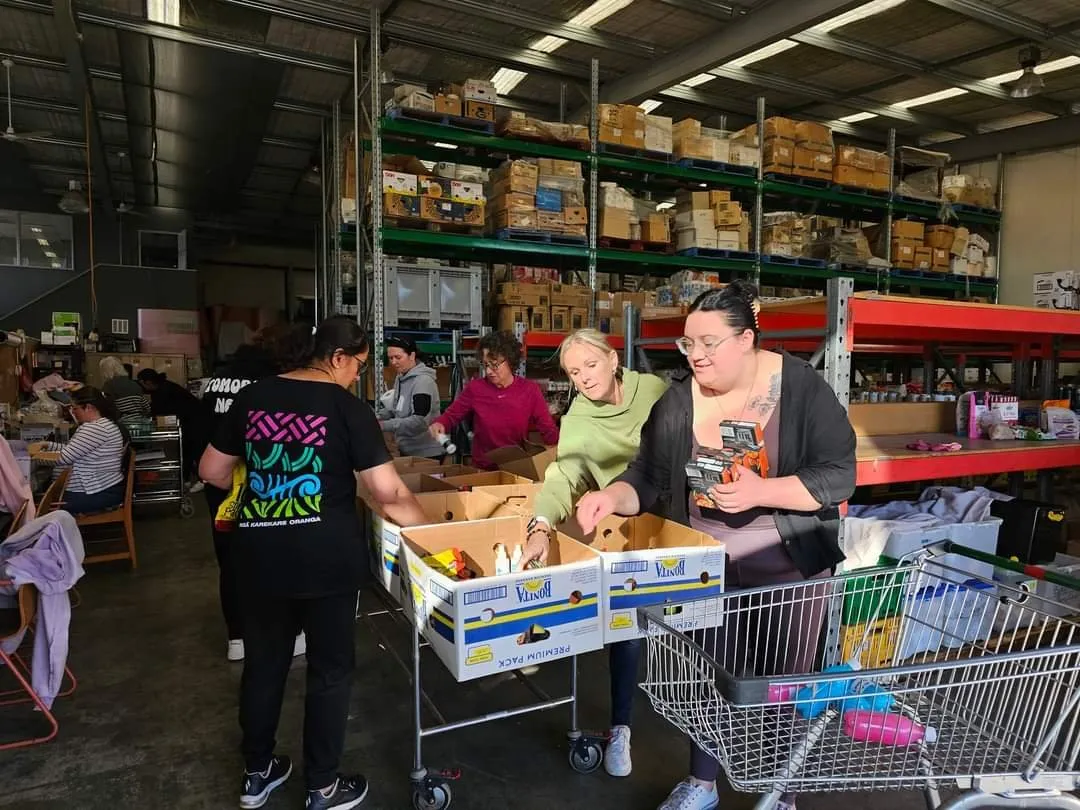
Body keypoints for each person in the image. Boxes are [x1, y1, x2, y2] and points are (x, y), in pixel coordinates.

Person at [575, 281, 857, 810]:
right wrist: (610, 497)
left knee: (781, 686)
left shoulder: (799, 387)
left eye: (709, 343)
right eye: (687, 344)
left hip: (789, 567)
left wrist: (762, 491)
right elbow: (649, 476)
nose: (696, 355)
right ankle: (702, 783)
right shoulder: (679, 400)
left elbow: (839, 476)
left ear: (746, 339)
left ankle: (780, 791)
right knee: (707, 678)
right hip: (706, 564)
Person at [199, 315, 430, 810]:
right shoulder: (346, 409)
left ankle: (256, 774)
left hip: (258, 558)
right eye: (359, 366)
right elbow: (388, 493)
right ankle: (322, 785)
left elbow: (211, 471)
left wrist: (265, 484)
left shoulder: (254, 397)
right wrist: (431, 530)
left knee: (264, 665)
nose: (358, 377)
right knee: (329, 671)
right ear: (339, 357)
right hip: (327, 560)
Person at [519, 328, 667, 778]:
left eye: (591, 365)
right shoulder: (579, 419)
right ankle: (620, 727)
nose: (583, 378)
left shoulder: (656, 392)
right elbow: (565, 474)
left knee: (691, 636)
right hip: (625, 530)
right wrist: (541, 524)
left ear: (613, 358)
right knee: (626, 624)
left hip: (678, 523)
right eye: (573, 372)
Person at [201, 325, 310, 663]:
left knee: (230, 562)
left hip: (220, 486)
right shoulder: (270, 385)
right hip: (264, 485)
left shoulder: (217, 379)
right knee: (278, 559)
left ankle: (238, 637)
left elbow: (200, 432)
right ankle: (289, 634)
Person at [429, 330, 558, 469]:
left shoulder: (530, 390)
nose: (489, 371)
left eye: (494, 365)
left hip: (516, 467)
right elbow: (451, 415)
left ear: (510, 361)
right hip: (482, 468)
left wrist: (558, 454)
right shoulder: (475, 389)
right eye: (485, 365)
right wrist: (440, 424)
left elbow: (547, 428)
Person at [39, 386, 130, 515]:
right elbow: (74, 450)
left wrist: (32, 457)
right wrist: (48, 445)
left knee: (40, 504)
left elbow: (64, 458)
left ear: (88, 407)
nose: (73, 412)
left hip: (95, 492)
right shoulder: (106, 424)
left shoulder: (94, 429)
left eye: (75, 408)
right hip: (105, 488)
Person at [137, 368, 208, 492]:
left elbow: (160, 411)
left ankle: (202, 480)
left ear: (148, 382)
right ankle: (186, 479)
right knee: (186, 449)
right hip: (189, 419)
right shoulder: (162, 387)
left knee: (194, 450)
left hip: (195, 420)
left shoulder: (163, 390)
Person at [375, 336, 445, 460]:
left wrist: (384, 426)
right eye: (390, 358)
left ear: (412, 356)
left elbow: (419, 421)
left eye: (398, 357)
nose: (393, 362)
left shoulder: (423, 381)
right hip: (408, 449)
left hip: (427, 453)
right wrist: (375, 417)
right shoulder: (401, 377)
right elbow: (395, 408)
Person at [99, 356, 151, 421]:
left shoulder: (108, 386)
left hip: (122, 424)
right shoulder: (135, 384)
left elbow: (107, 409)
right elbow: (147, 408)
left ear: (105, 371)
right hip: (140, 422)